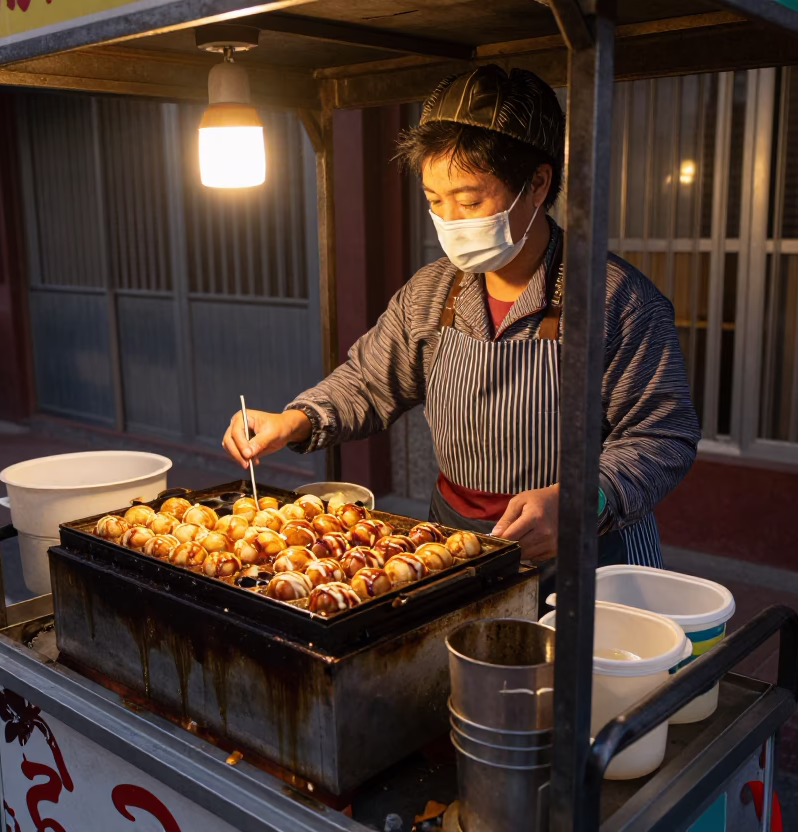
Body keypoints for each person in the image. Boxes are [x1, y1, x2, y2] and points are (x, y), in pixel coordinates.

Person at [221, 65, 699, 572]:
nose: (450, 220)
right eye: (434, 201)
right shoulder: (432, 290)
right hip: (456, 540)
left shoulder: (613, 298)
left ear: (537, 183)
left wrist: (583, 500)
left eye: (470, 200)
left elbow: (662, 435)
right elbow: (367, 382)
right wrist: (294, 420)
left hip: (588, 551)